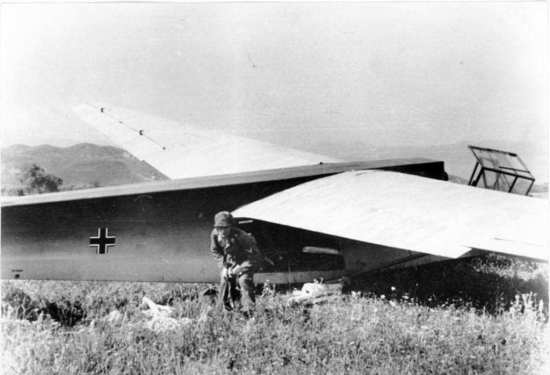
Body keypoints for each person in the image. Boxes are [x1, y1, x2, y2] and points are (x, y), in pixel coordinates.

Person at [210, 211, 259, 316]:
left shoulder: (242, 236)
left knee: (243, 281)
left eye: (225, 228)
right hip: (230, 262)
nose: (221, 231)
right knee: (224, 280)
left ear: (230, 227)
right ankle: (223, 310)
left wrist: (240, 268)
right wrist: (223, 267)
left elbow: (254, 257)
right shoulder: (215, 234)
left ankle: (249, 313)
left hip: (245, 262)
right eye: (219, 228)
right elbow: (215, 251)